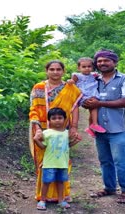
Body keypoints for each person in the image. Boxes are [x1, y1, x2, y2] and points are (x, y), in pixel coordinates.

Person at [83, 49, 125, 204]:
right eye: (99, 61)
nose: (102, 63)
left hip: (119, 127)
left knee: (120, 159)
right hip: (100, 128)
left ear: (115, 62)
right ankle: (109, 188)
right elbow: (88, 98)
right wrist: (87, 103)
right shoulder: (94, 80)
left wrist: (100, 103)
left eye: (106, 60)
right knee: (105, 159)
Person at [29, 60, 82, 203]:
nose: (55, 72)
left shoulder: (70, 88)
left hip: (62, 129)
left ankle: (62, 195)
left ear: (63, 71)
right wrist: (38, 129)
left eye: (58, 69)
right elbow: (34, 109)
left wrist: (74, 127)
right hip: (41, 128)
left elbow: (75, 108)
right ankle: (43, 196)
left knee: (62, 159)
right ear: (47, 71)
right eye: (51, 69)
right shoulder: (39, 87)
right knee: (44, 162)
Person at [34, 107, 79, 210]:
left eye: (60, 118)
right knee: (46, 182)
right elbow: (43, 147)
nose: (57, 120)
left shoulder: (67, 133)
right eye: (54, 118)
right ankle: (42, 200)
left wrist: (75, 141)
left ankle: (61, 200)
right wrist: (36, 140)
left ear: (65, 119)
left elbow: (67, 146)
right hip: (49, 163)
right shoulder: (46, 133)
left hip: (63, 164)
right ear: (49, 120)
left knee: (61, 182)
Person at [68, 57, 106, 138]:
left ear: (92, 67)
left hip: (92, 93)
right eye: (84, 67)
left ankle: (90, 127)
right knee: (94, 107)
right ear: (79, 68)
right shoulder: (77, 75)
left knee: (92, 110)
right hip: (84, 95)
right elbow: (72, 82)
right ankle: (94, 124)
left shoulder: (94, 75)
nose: (87, 69)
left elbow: (102, 76)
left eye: (89, 66)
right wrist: (70, 81)